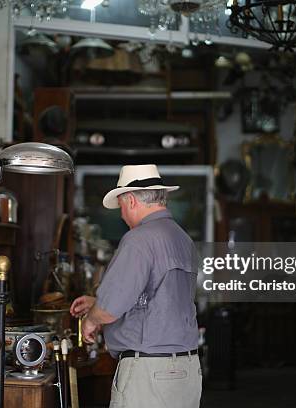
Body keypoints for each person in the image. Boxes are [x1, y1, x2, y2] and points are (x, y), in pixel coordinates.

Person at [70, 164, 201, 408]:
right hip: (187, 369)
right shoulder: (184, 239)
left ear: (130, 201)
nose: (121, 214)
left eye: (120, 205)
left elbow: (109, 309)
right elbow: (158, 298)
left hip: (149, 372)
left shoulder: (138, 239)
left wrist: (92, 319)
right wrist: (96, 303)